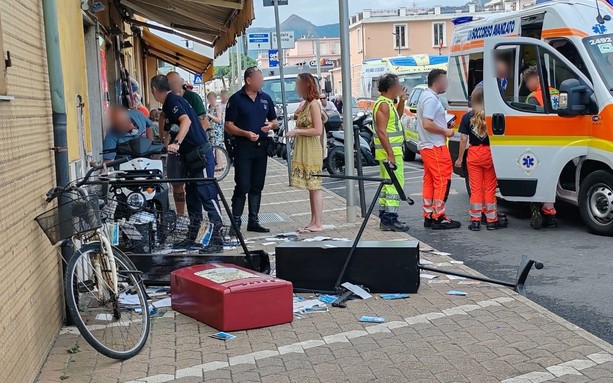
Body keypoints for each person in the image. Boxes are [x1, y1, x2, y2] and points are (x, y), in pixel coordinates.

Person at [150, 75, 223, 254]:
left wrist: (178, 143)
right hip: (189, 158)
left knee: (207, 194)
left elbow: (186, 121)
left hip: (200, 154)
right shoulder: (169, 104)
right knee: (192, 197)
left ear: (153, 90)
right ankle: (194, 237)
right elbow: (170, 130)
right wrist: (166, 145)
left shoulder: (172, 101)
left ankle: (218, 239)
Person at [224, 67, 278, 234]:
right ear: (248, 80)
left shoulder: (265, 98)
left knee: (257, 185)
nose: (261, 82)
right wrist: (245, 133)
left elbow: (274, 120)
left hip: (261, 148)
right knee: (242, 184)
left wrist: (271, 125)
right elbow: (228, 125)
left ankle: (253, 220)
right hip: (243, 147)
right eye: (258, 79)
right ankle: (236, 222)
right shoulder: (236, 99)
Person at [455, 87, 507, 231]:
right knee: (489, 189)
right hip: (490, 153)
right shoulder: (493, 116)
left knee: (476, 189)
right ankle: (491, 220)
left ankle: (475, 221)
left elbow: (463, 138)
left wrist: (460, 158)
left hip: (474, 154)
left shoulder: (467, 117)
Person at [416, 69, 461, 230]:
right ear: (438, 81)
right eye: (445, 80)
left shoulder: (426, 96)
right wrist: (445, 131)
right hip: (435, 145)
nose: (447, 83)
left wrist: (444, 124)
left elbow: (428, 122)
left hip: (427, 145)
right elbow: (427, 124)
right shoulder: (431, 100)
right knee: (442, 180)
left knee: (430, 181)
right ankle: (438, 216)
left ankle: (429, 214)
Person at [163, 72, 209, 216]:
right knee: (181, 186)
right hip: (179, 152)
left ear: (180, 83)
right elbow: (165, 123)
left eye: (173, 84)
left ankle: (215, 229)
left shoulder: (191, 97)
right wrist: (166, 143)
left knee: (204, 190)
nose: (171, 88)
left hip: (195, 150)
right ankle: (183, 219)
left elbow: (199, 122)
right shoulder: (168, 101)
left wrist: (184, 140)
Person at [286, 73, 325, 233]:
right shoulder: (307, 104)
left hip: (312, 148)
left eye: (298, 84)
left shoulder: (314, 104)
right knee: (311, 186)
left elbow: (317, 130)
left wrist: (297, 131)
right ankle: (313, 221)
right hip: (305, 147)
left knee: (315, 186)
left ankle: (318, 223)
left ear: (306, 85)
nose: (296, 88)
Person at [522, 66, 559, 229]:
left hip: (539, 141)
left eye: (528, 81)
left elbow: (527, 121)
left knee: (535, 176)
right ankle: (550, 215)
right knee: (551, 179)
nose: (527, 85)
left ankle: (535, 209)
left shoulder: (532, 97)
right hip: (558, 141)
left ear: (536, 79)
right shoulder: (556, 93)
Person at [373, 74, 410, 232]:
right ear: (391, 88)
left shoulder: (386, 103)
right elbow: (382, 132)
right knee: (395, 185)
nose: (400, 88)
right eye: (398, 86)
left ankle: (385, 217)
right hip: (391, 152)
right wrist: (390, 154)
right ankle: (390, 219)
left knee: (388, 185)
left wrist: (402, 101)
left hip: (389, 152)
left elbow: (398, 116)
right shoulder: (384, 105)